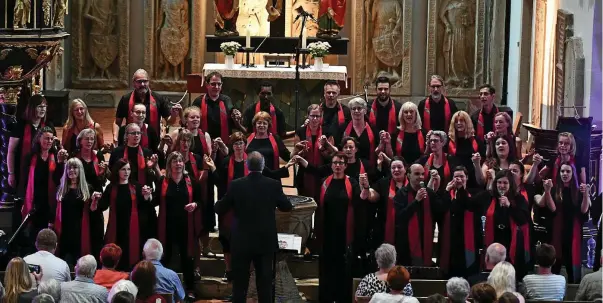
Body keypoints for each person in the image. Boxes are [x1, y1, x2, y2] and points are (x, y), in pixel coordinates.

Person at [206, 132, 291, 281]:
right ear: (231, 146)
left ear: (245, 145)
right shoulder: (226, 162)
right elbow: (219, 182)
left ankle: (248, 272)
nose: (238, 146)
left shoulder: (252, 161)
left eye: (241, 143)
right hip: (229, 207)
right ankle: (229, 270)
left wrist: (287, 168)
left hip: (247, 209)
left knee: (246, 242)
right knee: (226, 240)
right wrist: (213, 168)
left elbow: (269, 174)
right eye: (235, 143)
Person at [215, 151, 293, 303]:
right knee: (264, 284)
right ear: (263, 166)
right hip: (265, 242)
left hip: (241, 242)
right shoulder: (273, 185)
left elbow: (220, 208)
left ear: (247, 165)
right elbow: (286, 206)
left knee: (240, 285)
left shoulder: (236, 185)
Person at [154, 151, 203, 299]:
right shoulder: (163, 181)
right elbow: (155, 201)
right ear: (169, 164)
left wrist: (194, 204)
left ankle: (189, 289)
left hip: (186, 226)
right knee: (165, 257)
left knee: (187, 259)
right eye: (175, 161)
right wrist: (148, 196)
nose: (178, 164)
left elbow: (200, 201)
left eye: (180, 161)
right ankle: (164, 288)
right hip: (166, 226)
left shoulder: (191, 181)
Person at [536, 163, 590, 283]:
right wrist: (548, 191)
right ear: (559, 173)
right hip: (557, 230)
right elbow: (553, 209)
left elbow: (584, 211)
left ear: (573, 173)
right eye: (562, 171)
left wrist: (586, 194)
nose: (565, 174)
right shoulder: (555, 188)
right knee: (556, 261)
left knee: (572, 261)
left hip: (573, 230)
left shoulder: (579, 189)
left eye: (568, 171)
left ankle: (573, 285)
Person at [99, 159, 155, 270]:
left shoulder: (136, 186)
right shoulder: (111, 187)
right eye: (123, 169)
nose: (126, 172)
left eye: (128, 169)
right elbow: (102, 206)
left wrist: (146, 197)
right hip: (116, 228)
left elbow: (144, 206)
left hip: (132, 228)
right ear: (117, 171)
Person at [53, 157, 104, 266]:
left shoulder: (88, 189)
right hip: (64, 233)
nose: (71, 170)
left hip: (81, 232)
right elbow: (54, 212)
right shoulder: (60, 189)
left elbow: (93, 212)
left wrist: (94, 201)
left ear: (80, 170)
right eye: (69, 168)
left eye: (75, 167)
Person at [480, 170, 531, 277]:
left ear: (510, 184)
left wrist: (510, 206)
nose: (502, 186)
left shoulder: (519, 199)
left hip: (512, 243)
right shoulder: (488, 196)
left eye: (505, 183)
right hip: (494, 240)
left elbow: (523, 221)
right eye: (499, 182)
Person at [19, 126, 60, 253]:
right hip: (34, 201)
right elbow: (24, 180)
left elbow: (59, 179)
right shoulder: (31, 157)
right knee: (34, 233)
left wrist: (62, 162)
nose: (49, 141)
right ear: (39, 139)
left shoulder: (56, 156)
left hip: (50, 202)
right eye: (46, 138)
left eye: (51, 139)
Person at [393, 163, 442, 266]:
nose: (421, 177)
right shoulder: (401, 194)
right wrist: (416, 201)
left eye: (422, 174)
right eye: (417, 174)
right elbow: (400, 217)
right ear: (408, 175)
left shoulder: (430, 193)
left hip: (426, 242)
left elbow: (440, 213)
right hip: (406, 245)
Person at [439, 166, 482, 278]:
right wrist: (447, 191)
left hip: (468, 240)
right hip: (450, 240)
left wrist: (461, 189)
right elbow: (441, 209)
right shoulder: (447, 194)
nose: (458, 179)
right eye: (456, 176)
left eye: (461, 176)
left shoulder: (474, 193)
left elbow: (468, 204)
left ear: (467, 178)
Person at [8, 94, 55, 192]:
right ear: (32, 107)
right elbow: (11, 151)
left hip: (44, 169)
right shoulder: (20, 125)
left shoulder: (48, 125)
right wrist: (11, 173)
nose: (43, 109)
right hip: (23, 169)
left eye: (45, 106)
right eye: (40, 106)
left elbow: (54, 147)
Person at [114, 69, 176, 144]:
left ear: (149, 82)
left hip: (153, 143)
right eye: (139, 81)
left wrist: (174, 114)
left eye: (145, 81)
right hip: (131, 142)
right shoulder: (126, 99)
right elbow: (117, 122)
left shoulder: (159, 98)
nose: (142, 84)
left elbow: (170, 121)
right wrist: (115, 136)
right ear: (134, 83)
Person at [292, 104, 337, 200]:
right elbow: (295, 154)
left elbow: (332, 155)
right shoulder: (300, 131)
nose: (315, 119)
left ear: (321, 117)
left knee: (321, 204)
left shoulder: (327, 131)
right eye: (312, 116)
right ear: (308, 116)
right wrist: (302, 152)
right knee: (304, 204)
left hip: (323, 173)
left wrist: (323, 149)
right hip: (304, 173)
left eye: (318, 116)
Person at [361, 157, 407, 249]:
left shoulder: (412, 183)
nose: (396, 170)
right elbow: (372, 196)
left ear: (405, 169)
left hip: (407, 228)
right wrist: (366, 187)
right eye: (393, 168)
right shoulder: (384, 183)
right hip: (386, 227)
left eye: (399, 167)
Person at [192, 72, 240, 143]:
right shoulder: (198, 101)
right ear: (207, 85)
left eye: (219, 84)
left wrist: (236, 114)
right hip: (203, 141)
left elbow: (232, 114)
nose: (216, 87)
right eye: (213, 84)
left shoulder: (227, 100)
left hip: (224, 141)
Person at [333, 97, 379, 165]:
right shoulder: (342, 128)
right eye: (353, 109)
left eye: (359, 108)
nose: (356, 111)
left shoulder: (373, 129)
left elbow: (377, 150)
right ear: (350, 111)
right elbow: (338, 149)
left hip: (368, 169)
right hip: (347, 168)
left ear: (365, 111)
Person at [141, 239, 185, 303]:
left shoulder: (135, 274)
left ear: (143, 255)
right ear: (162, 255)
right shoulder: (172, 275)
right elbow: (181, 297)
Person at [447, 111, 483, 187]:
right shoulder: (449, 141)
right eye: (456, 121)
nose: (459, 123)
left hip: (473, 179)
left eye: (461, 121)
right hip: (455, 179)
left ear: (467, 122)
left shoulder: (476, 140)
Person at [69, 128, 109, 192]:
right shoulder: (74, 155)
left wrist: (102, 173)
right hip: (79, 193)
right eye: (87, 139)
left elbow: (103, 182)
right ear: (80, 141)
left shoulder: (98, 155)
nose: (89, 141)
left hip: (96, 193)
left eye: (92, 139)